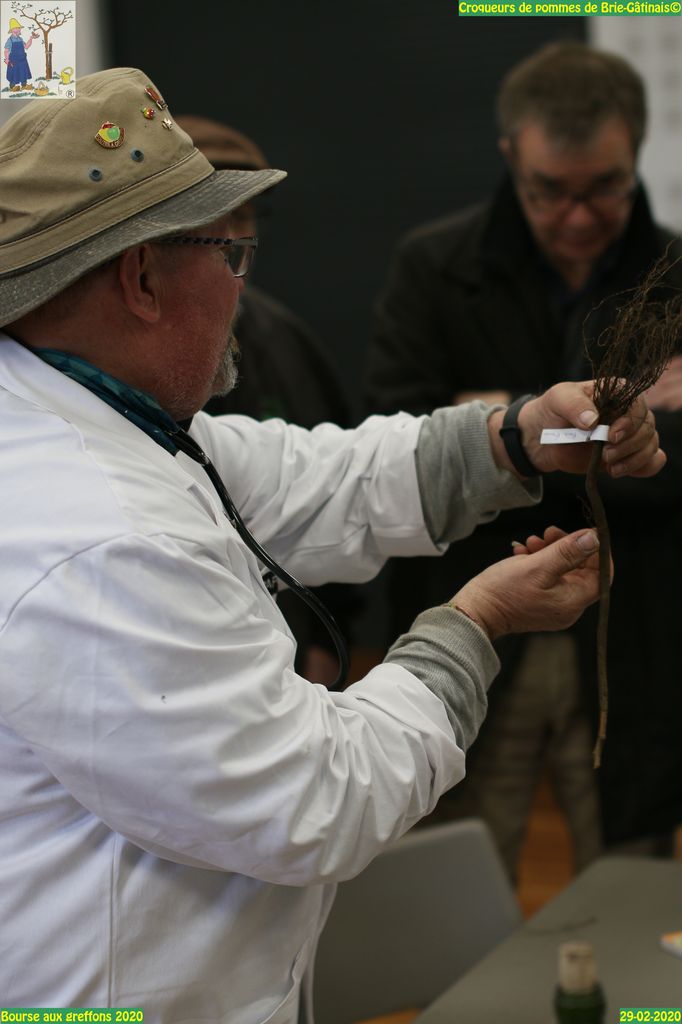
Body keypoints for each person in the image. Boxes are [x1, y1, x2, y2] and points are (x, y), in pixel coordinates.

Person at [0, 67, 663, 1018]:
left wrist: (516, 437)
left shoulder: (105, 422)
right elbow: (320, 802)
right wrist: (475, 621)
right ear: (142, 278)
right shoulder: (98, 537)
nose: (240, 287)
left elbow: (318, 476)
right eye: (227, 254)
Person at [366, 40, 682, 878]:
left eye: (604, 188)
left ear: (637, 151)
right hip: (472, 596)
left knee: (629, 875)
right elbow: (397, 441)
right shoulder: (434, 266)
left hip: (635, 628)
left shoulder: (678, 275)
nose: (577, 217)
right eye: (550, 191)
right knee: (456, 875)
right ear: (511, 156)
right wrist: (623, 427)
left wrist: (496, 418)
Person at [174, 114, 361, 687]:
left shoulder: (284, 337)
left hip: (293, 646)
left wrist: (331, 636)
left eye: (245, 216)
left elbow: (336, 474)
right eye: (213, 218)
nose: (232, 239)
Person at [3, 16, 36, 92]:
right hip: (14, 61)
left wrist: (31, 38)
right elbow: (6, 50)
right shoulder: (10, 40)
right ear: (12, 30)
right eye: (17, 28)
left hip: (22, 60)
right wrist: (7, 59)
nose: (19, 29)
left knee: (23, 72)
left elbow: (26, 46)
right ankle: (12, 87)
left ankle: (24, 85)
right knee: (14, 73)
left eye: (19, 28)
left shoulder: (20, 39)